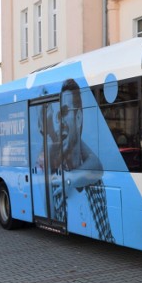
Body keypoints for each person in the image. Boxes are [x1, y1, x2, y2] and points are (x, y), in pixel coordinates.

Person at [51, 78, 114, 242]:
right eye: (58, 115)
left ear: (78, 117)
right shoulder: (55, 177)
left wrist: (71, 179)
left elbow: (107, 234)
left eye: (64, 112)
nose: (61, 122)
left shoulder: (95, 181)